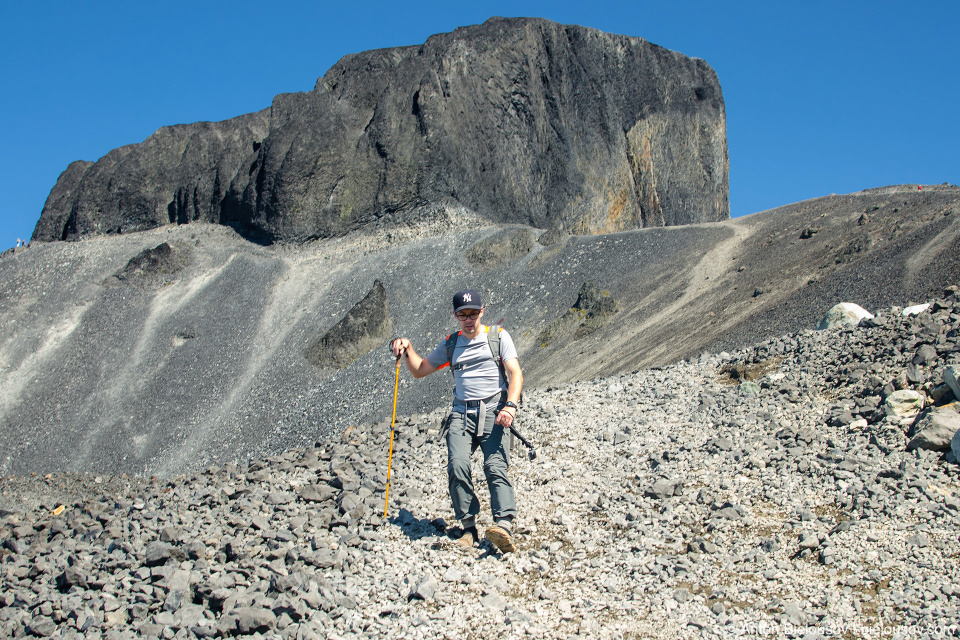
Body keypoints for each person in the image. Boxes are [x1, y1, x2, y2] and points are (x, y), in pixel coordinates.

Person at [390, 289, 523, 553]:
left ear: (482, 312)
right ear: (455, 316)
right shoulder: (451, 344)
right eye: (463, 315)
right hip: (461, 414)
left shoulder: (498, 336)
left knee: (495, 465)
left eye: (473, 313)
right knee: (457, 465)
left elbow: (515, 372)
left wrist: (510, 406)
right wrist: (407, 348)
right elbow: (420, 370)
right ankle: (469, 527)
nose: (469, 319)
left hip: (494, 410)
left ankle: (503, 525)